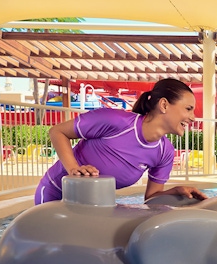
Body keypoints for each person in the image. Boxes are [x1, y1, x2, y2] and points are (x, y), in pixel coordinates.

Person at [35, 78, 207, 205]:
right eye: (188, 109)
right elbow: (57, 131)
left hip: (90, 206)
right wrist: (74, 169)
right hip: (55, 194)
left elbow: (151, 198)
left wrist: (175, 192)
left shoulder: (164, 152)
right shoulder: (116, 121)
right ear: (164, 105)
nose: (193, 117)